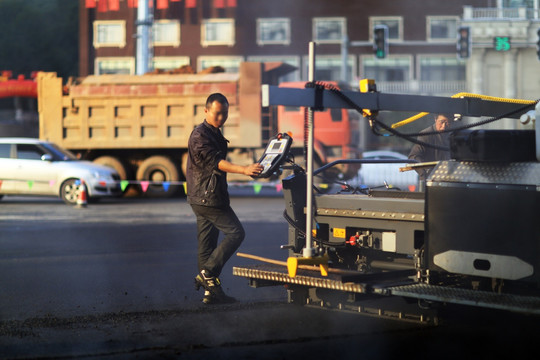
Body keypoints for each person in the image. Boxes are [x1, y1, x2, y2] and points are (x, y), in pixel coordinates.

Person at [186, 93, 264, 304]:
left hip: (204, 197)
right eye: (217, 113)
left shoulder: (213, 133)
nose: (222, 117)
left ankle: (211, 294)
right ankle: (208, 273)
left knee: (207, 247)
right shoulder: (200, 135)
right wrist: (245, 169)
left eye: (225, 113)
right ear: (206, 111)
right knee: (236, 232)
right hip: (207, 198)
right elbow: (216, 162)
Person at [408, 114, 452, 182]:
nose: (444, 127)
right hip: (430, 181)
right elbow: (413, 157)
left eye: (447, 123)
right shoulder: (426, 135)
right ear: (435, 119)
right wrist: (425, 172)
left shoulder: (452, 136)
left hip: (448, 180)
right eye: (441, 122)